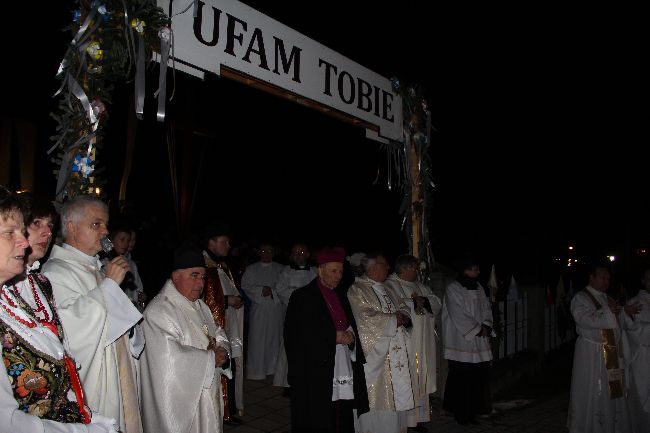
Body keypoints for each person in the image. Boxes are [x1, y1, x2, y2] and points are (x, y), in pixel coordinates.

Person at [0, 186, 118, 432]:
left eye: (50, 226)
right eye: (12, 232)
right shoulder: (54, 272)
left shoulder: (40, 283)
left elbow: (59, 352)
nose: (46, 233)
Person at [43, 195, 144, 433]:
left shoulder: (96, 266)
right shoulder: (55, 272)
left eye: (105, 224)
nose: (105, 231)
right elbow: (69, 332)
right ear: (71, 227)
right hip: (93, 382)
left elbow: (115, 316)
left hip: (117, 369)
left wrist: (131, 332)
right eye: (96, 224)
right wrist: (108, 286)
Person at [140, 247, 231, 433]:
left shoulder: (200, 305)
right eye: (194, 275)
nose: (200, 283)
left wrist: (222, 349)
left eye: (203, 277)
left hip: (206, 393)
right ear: (175, 276)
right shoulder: (159, 311)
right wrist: (210, 359)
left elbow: (218, 332)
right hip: (183, 405)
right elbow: (167, 360)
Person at [285, 246, 369, 433]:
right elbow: (295, 336)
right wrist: (333, 337)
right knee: (318, 416)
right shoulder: (302, 297)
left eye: (340, 271)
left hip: (341, 363)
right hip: (315, 370)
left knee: (341, 413)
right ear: (320, 270)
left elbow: (350, 325)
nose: (338, 276)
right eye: (333, 271)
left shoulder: (342, 294)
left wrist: (351, 337)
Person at [347, 252, 415, 433]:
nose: (389, 267)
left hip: (395, 353)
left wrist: (404, 316)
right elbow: (364, 317)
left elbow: (403, 306)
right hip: (376, 355)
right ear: (373, 267)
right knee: (376, 396)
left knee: (395, 396)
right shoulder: (357, 289)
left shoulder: (389, 288)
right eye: (385, 264)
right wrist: (394, 320)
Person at [567, 261, 636, 433]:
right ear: (592, 277)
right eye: (603, 277)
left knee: (610, 393)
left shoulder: (608, 298)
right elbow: (583, 319)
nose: (606, 281)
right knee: (592, 392)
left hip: (610, 353)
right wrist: (609, 312)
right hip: (591, 354)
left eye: (608, 278)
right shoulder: (580, 298)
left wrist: (625, 313)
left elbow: (618, 324)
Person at [385, 254, 442, 432]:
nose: (417, 272)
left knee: (420, 381)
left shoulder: (420, 286)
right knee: (408, 380)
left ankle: (418, 420)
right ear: (404, 269)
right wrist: (412, 303)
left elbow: (436, 301)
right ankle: (405, 422)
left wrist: (424, 301)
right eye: (414, 269)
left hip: (423, 343)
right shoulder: (390, 285)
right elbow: (393, 307)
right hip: (406, 344)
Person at [441, 254, 493, 425]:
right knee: (461, 380)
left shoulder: (479, 287)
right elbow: (458, 315)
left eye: (477, 268)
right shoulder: (453, 289)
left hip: (478, 340)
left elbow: (486, 308)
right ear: (464, 270)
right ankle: (460, 413)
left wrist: (486, 325)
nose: (478, 272)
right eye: (473, 268)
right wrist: (478, 330)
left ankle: (473, 411)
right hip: (460, 341)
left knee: (477, 379)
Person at [201, 223, 245, 424]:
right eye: (224, 242)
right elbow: (201, 299)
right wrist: (227, 301)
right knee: (220, 366)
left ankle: (230, 411)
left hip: (229, 325)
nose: (228, 245)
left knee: (231, 367)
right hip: (213, 328)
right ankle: (221, 414)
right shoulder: (202, 265)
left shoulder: (223, 266)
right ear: (211, 243)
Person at [273, 243, 317, 390]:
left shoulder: (316, 272)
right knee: (290, 347)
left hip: (312, 317)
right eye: (295, 253)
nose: (298, 256)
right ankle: (288, 382)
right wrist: (300, 298)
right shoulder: (286, 272)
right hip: (293, 315)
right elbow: (280, 289)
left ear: (308, 254)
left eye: (302, 252)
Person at [240, 242, 285, 380]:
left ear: (273, 252)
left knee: (275, 338)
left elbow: (284, 286)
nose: (266, 254)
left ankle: (273, 368)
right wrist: (260, 290)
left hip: (276, 309)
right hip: (258, 310)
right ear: (259, 252)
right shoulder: (252, 269)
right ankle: (257, 371)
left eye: (269, 251)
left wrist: (273, 291)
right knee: (258, 339)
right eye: (263, 251)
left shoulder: (281, 269)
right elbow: (245, 285)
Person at [624, 268, 649, 432]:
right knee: (642, 397)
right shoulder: (634, 302)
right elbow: (632, 331)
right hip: (642, 357)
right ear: (643, 280)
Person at [103, 224, 146, 311]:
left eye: (128, 240)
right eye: (122, 240)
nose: (125, 244)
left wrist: (140, 296)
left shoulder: (131, 264)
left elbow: (137, 288)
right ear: (111, 241)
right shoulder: (104, 264)